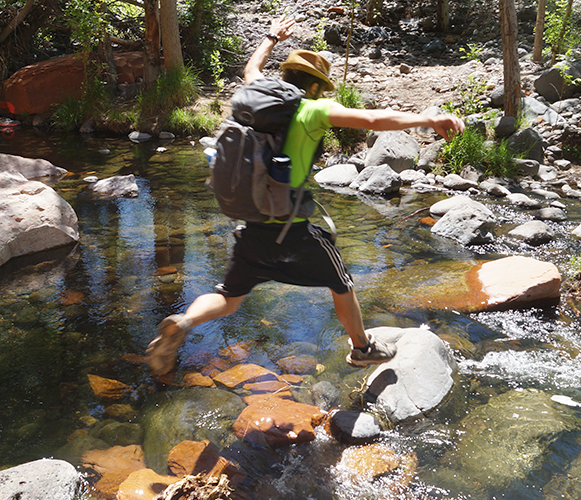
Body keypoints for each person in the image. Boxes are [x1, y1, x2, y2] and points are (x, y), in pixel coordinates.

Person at [146, 15, 465, 376]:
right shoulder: (311, 109)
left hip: (251, 227)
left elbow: (252, 67)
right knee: (341, 282)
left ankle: (185, 322)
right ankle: (362, 348)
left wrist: (271, 37)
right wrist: (424, 119)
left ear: (287, 77)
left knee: (229, 297)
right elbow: (374, 120)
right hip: (291, 229)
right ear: (314, 87)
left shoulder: (255, 96)